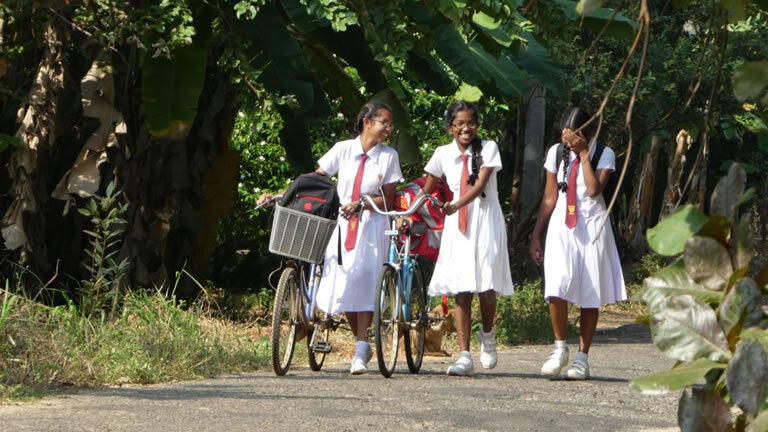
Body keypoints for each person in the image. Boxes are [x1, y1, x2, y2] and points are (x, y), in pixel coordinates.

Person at [258, 102, 403, 375]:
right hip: (342, 223)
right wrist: (281, 194)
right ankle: (361, 342)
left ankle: (361, 347)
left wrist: (362, 204)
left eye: (389, 123)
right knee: (344, 281)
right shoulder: (343, 149)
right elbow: (314, 180)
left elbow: (388, 198)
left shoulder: (388, 156)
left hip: (371, 225)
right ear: (367, 122)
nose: (388, 128)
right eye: (384, 122)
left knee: (365, 279)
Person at [529, 107, 626, 380]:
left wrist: (583, 154)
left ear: (588, 132)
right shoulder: (555, 153)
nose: (569, 141)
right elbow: (550, 197)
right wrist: (536, 234)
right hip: (562, 224)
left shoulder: (604, 153)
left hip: (592, 224)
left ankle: (582, 358)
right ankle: (559, 347)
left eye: (575, 135)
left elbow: (594, 190)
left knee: (589, 292)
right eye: (567, 135)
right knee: (556, 285)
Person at [422, 100, 514, 376]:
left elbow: (480, 184)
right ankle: (464, 355)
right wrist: (410, 211)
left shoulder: (488, 148)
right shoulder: (442, 153)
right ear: (450, 127)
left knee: (486, 285)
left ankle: (487, 335)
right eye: (459, 123)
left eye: (471, 123)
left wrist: (456, 203)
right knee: (462, 289)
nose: (466, 128)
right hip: (458, 224)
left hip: (485, 218)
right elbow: (427, 188)